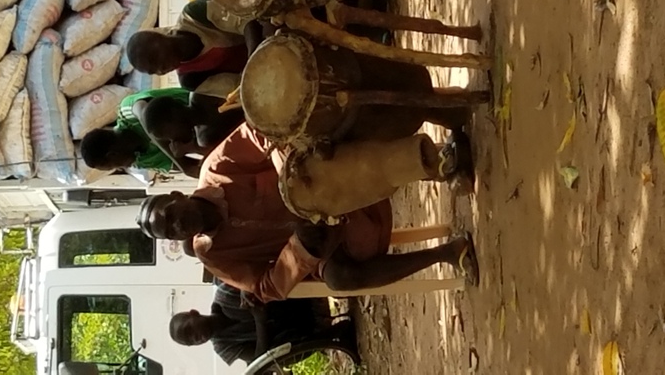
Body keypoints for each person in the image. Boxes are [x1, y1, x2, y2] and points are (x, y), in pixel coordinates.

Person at [136, 123, 479, 303]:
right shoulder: (212, 255)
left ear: (177, 195)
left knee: (329, 157)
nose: (178, 224)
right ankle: (449, 252)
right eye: (171, 230)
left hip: (328, 183)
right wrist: (299, 251)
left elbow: (259, 132)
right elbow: (264, 287)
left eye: (171, 214)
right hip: (330, 240)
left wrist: (293, 184)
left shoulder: (216, 168)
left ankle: (441, 162)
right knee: (340, 278)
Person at [169, 280, 351, 366]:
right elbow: (260, 359)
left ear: (194, 313)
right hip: (305, 331)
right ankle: (335, 335)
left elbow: (258, 280)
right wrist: (259, 320)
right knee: (276, 359)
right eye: (191, 341)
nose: (196, 337)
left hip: (304, 298)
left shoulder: (225, 295)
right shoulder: (223, 347)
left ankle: (332, 286)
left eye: (190, 330)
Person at [79, 88, 243, 177]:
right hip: (219, 138)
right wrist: (190, 153)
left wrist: (182, 163)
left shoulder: (126, 111)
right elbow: (196, 168)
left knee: (204, 139)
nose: (123, 167)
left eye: (113, 166)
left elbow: (144, 113)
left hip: (207, 106)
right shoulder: (142, 161)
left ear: (112, 155)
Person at [126, 0, 257, 92]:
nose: (161, 71)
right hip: (262, 72)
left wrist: (256, 58)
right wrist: (258, 67)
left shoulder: (194, 15)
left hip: (263, 27)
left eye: (154, 59)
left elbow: (246, 20)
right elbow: (240, 87)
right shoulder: (190, 79)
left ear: (158, 36)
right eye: (153, 72)